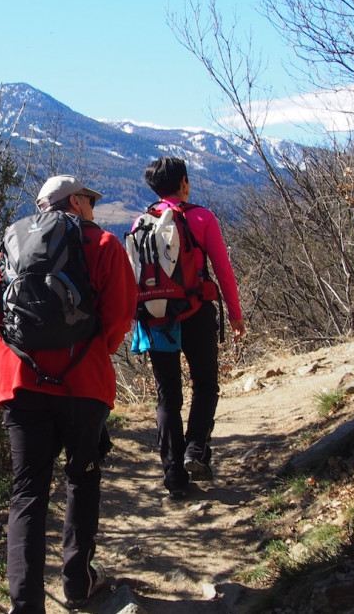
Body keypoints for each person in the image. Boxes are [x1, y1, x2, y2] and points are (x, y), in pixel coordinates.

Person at [0, 175, 136, 613]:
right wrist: (91, 351)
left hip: (20, 384)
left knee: (28, 492)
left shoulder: (11, 246)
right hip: (84, 383)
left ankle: (25, 606)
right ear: (75, 203)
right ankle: (77, 583)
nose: (95, 210)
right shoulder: (103, 246)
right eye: (90, 201)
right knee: (81, 477)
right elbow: (120, 315)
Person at [137, 157, 244, 501]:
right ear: (184, 181)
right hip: (196, 312)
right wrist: (235, 314)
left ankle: (173, 476)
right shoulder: (201, 217)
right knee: (205, 384)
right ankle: (195, 451)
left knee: (168, 394)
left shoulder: (143, 221)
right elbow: (223, 270)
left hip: (157, 316)